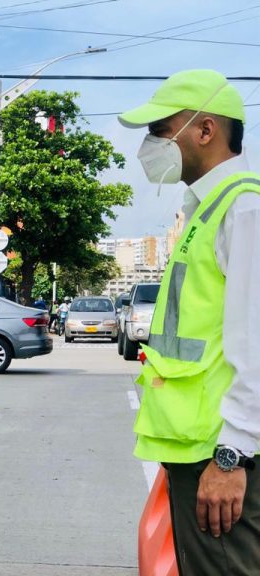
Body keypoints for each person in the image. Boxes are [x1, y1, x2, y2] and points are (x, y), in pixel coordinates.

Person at [119, 69, 260, 574]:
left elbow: (257, 344)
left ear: (205, 131)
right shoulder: (206, 208)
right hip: (199, 451)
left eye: (161, 129)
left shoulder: (243, 208)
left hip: (220, 458)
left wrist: (232, 459)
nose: (151, 143)